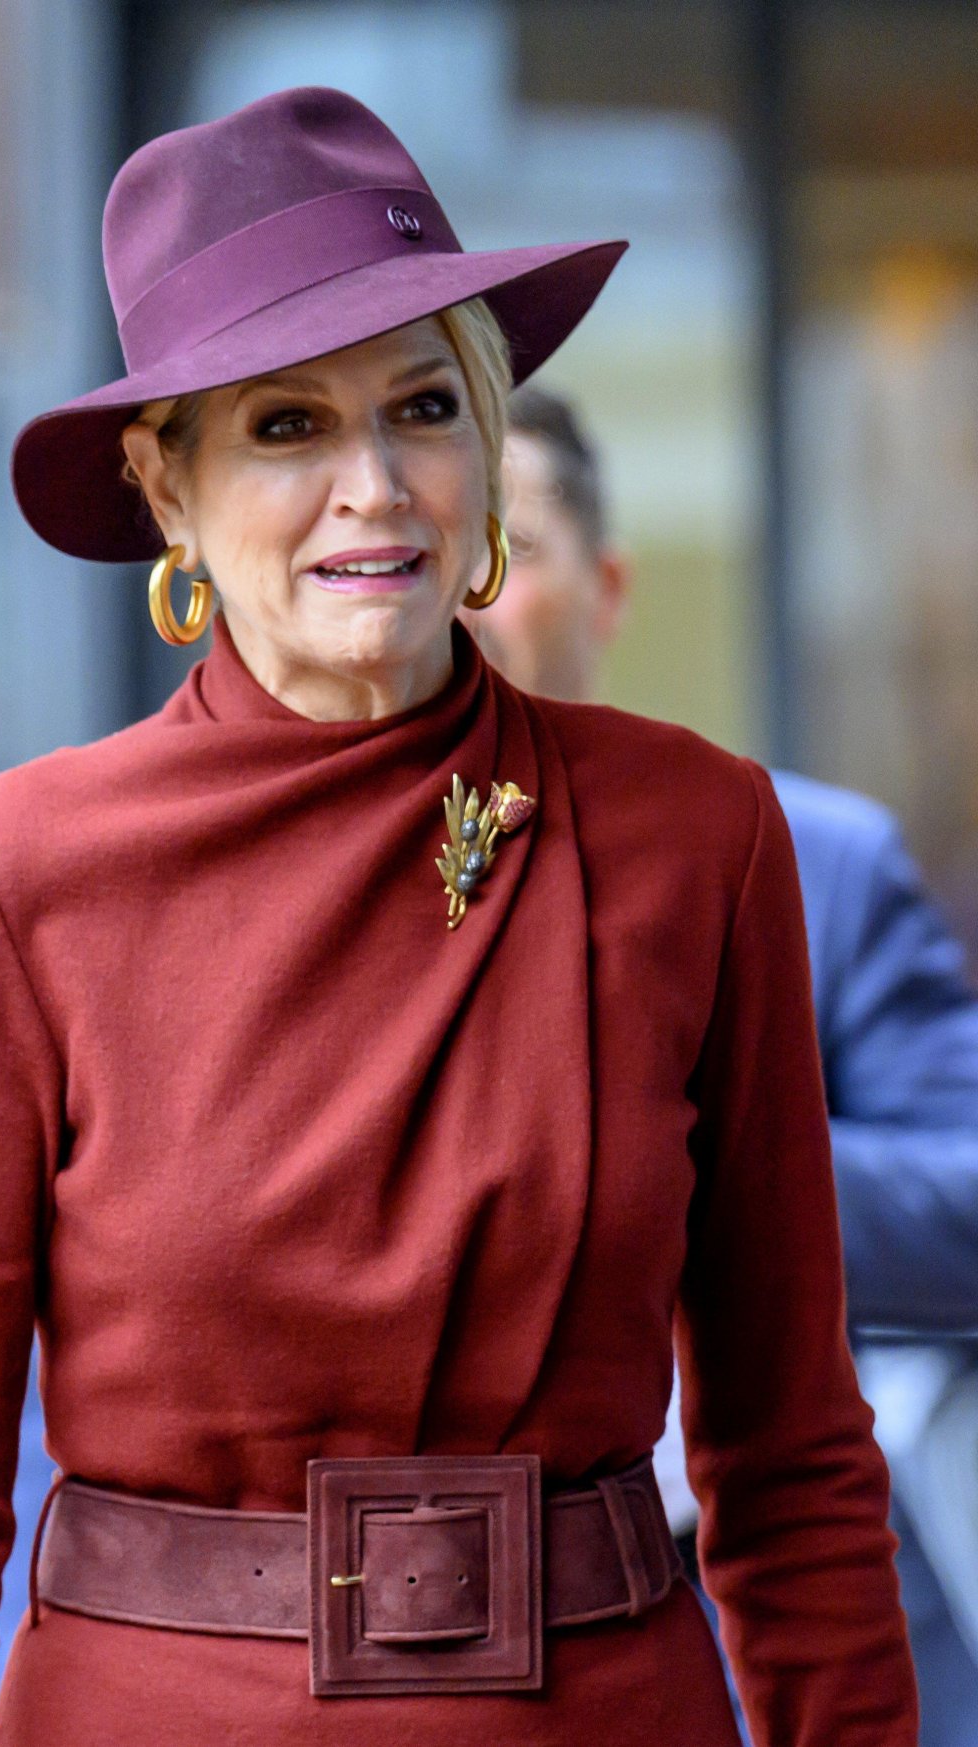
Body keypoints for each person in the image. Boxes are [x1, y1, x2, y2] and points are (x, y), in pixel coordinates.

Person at [0, 87, 917, 1747]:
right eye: (286, 429)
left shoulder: (701, 833)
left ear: (488, 445)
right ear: (164, 490)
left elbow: (793, 1452)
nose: (376, 485)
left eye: (422, 408)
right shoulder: (10, 880)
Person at [471, 383, 978, 1743]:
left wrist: (707, 1176)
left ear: (609, 587)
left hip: (764, 1612)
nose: (463, 591)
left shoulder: (806, 858)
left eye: (505, 548)